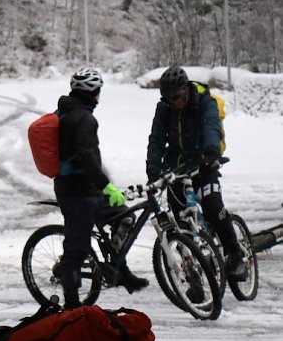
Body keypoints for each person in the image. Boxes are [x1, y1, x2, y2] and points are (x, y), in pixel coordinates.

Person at [55, 68, 148, 308]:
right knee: (78, 247)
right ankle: (72, 303)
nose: (99, 96)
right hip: (76, 192)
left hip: (86, 189)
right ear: (92, 93)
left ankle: (120, 270)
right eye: (98, 91)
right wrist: (106, 186)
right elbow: (87, 158)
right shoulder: (84, 118)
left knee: (125, 218)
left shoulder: (67, 112)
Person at [146, 65, 247, 282]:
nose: (175, 102)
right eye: (169, 98)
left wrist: (211, 152)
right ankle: (194, 276)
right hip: (175, 169)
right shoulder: (164, 109)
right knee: (179, 225)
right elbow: (156, 140)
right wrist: (153, 170)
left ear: (186, 90)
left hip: (203, 163)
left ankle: (235, 255)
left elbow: (211, 125)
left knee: (212, 206)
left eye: (178, 97)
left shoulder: (204, 102)